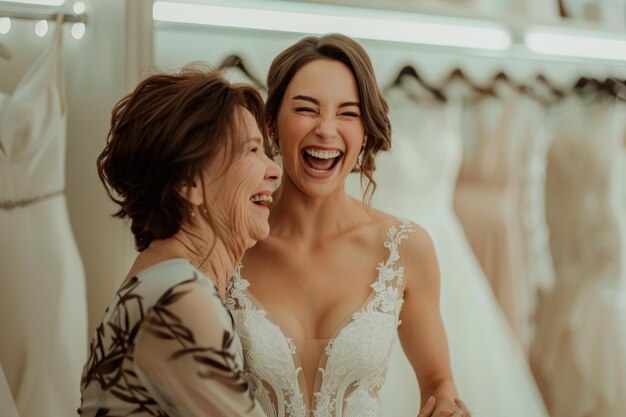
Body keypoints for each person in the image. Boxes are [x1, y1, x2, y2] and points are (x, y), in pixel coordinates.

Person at [225, 34, 471, 417]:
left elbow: (438, 382)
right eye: (307, 109)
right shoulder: (229, 242)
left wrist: (444, 405)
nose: (326, 129)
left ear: (365, 132)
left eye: (348, 113)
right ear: (272, 124)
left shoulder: (406, 248)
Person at [79, 65, 281, 417]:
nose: (274, 169)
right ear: (190, 184)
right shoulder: (179, 301)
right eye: (251, 151)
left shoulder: (161, 281)